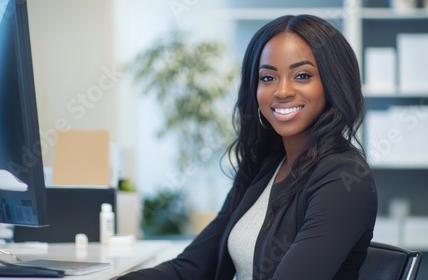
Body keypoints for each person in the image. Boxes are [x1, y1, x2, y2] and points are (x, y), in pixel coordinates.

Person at [118, 14, 377, 280]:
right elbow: (191, 268)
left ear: (334, 83)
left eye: (302, 75)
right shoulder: (265, 166)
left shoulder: (345, 177)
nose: (282, 91)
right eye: (268, 78)